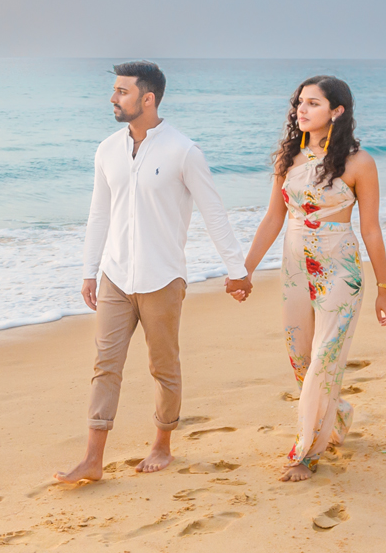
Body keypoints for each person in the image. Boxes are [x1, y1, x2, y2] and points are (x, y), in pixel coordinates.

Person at [59, 61, 250, 483]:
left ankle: (162, 444)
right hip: (115, 276)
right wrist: (90, 271)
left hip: (163, 278)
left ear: (148, 98)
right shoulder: (107, 149)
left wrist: (237, 269)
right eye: (114, 90)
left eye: (122, 92)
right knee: (105, 365)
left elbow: (213, 211)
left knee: (163, 366)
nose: (112, 98)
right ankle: (92, 458)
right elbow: (98, 214)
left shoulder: (183, 151)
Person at [230, 75, 386, 481]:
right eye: (300, 102)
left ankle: (305, 452)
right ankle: (335, 414)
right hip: (295, 266)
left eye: (314, 103)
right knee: (301, 357)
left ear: (337, 112)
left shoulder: (360, 163)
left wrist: (384, 289)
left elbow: (371, 229)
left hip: (340, 267)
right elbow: (273, 218)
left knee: (325, 356)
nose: (302, 110)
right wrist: (244, 270)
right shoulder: (287, 159)